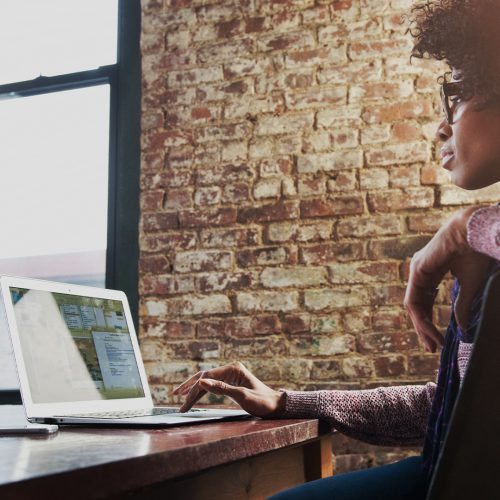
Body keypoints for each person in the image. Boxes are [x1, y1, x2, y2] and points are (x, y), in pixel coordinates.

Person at [173, 1, 500, 498]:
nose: (440, 126)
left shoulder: (477, 241)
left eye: (455, 92)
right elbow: (444, 410)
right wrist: (287, 402)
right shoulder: (485, 249)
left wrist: (463, 227)